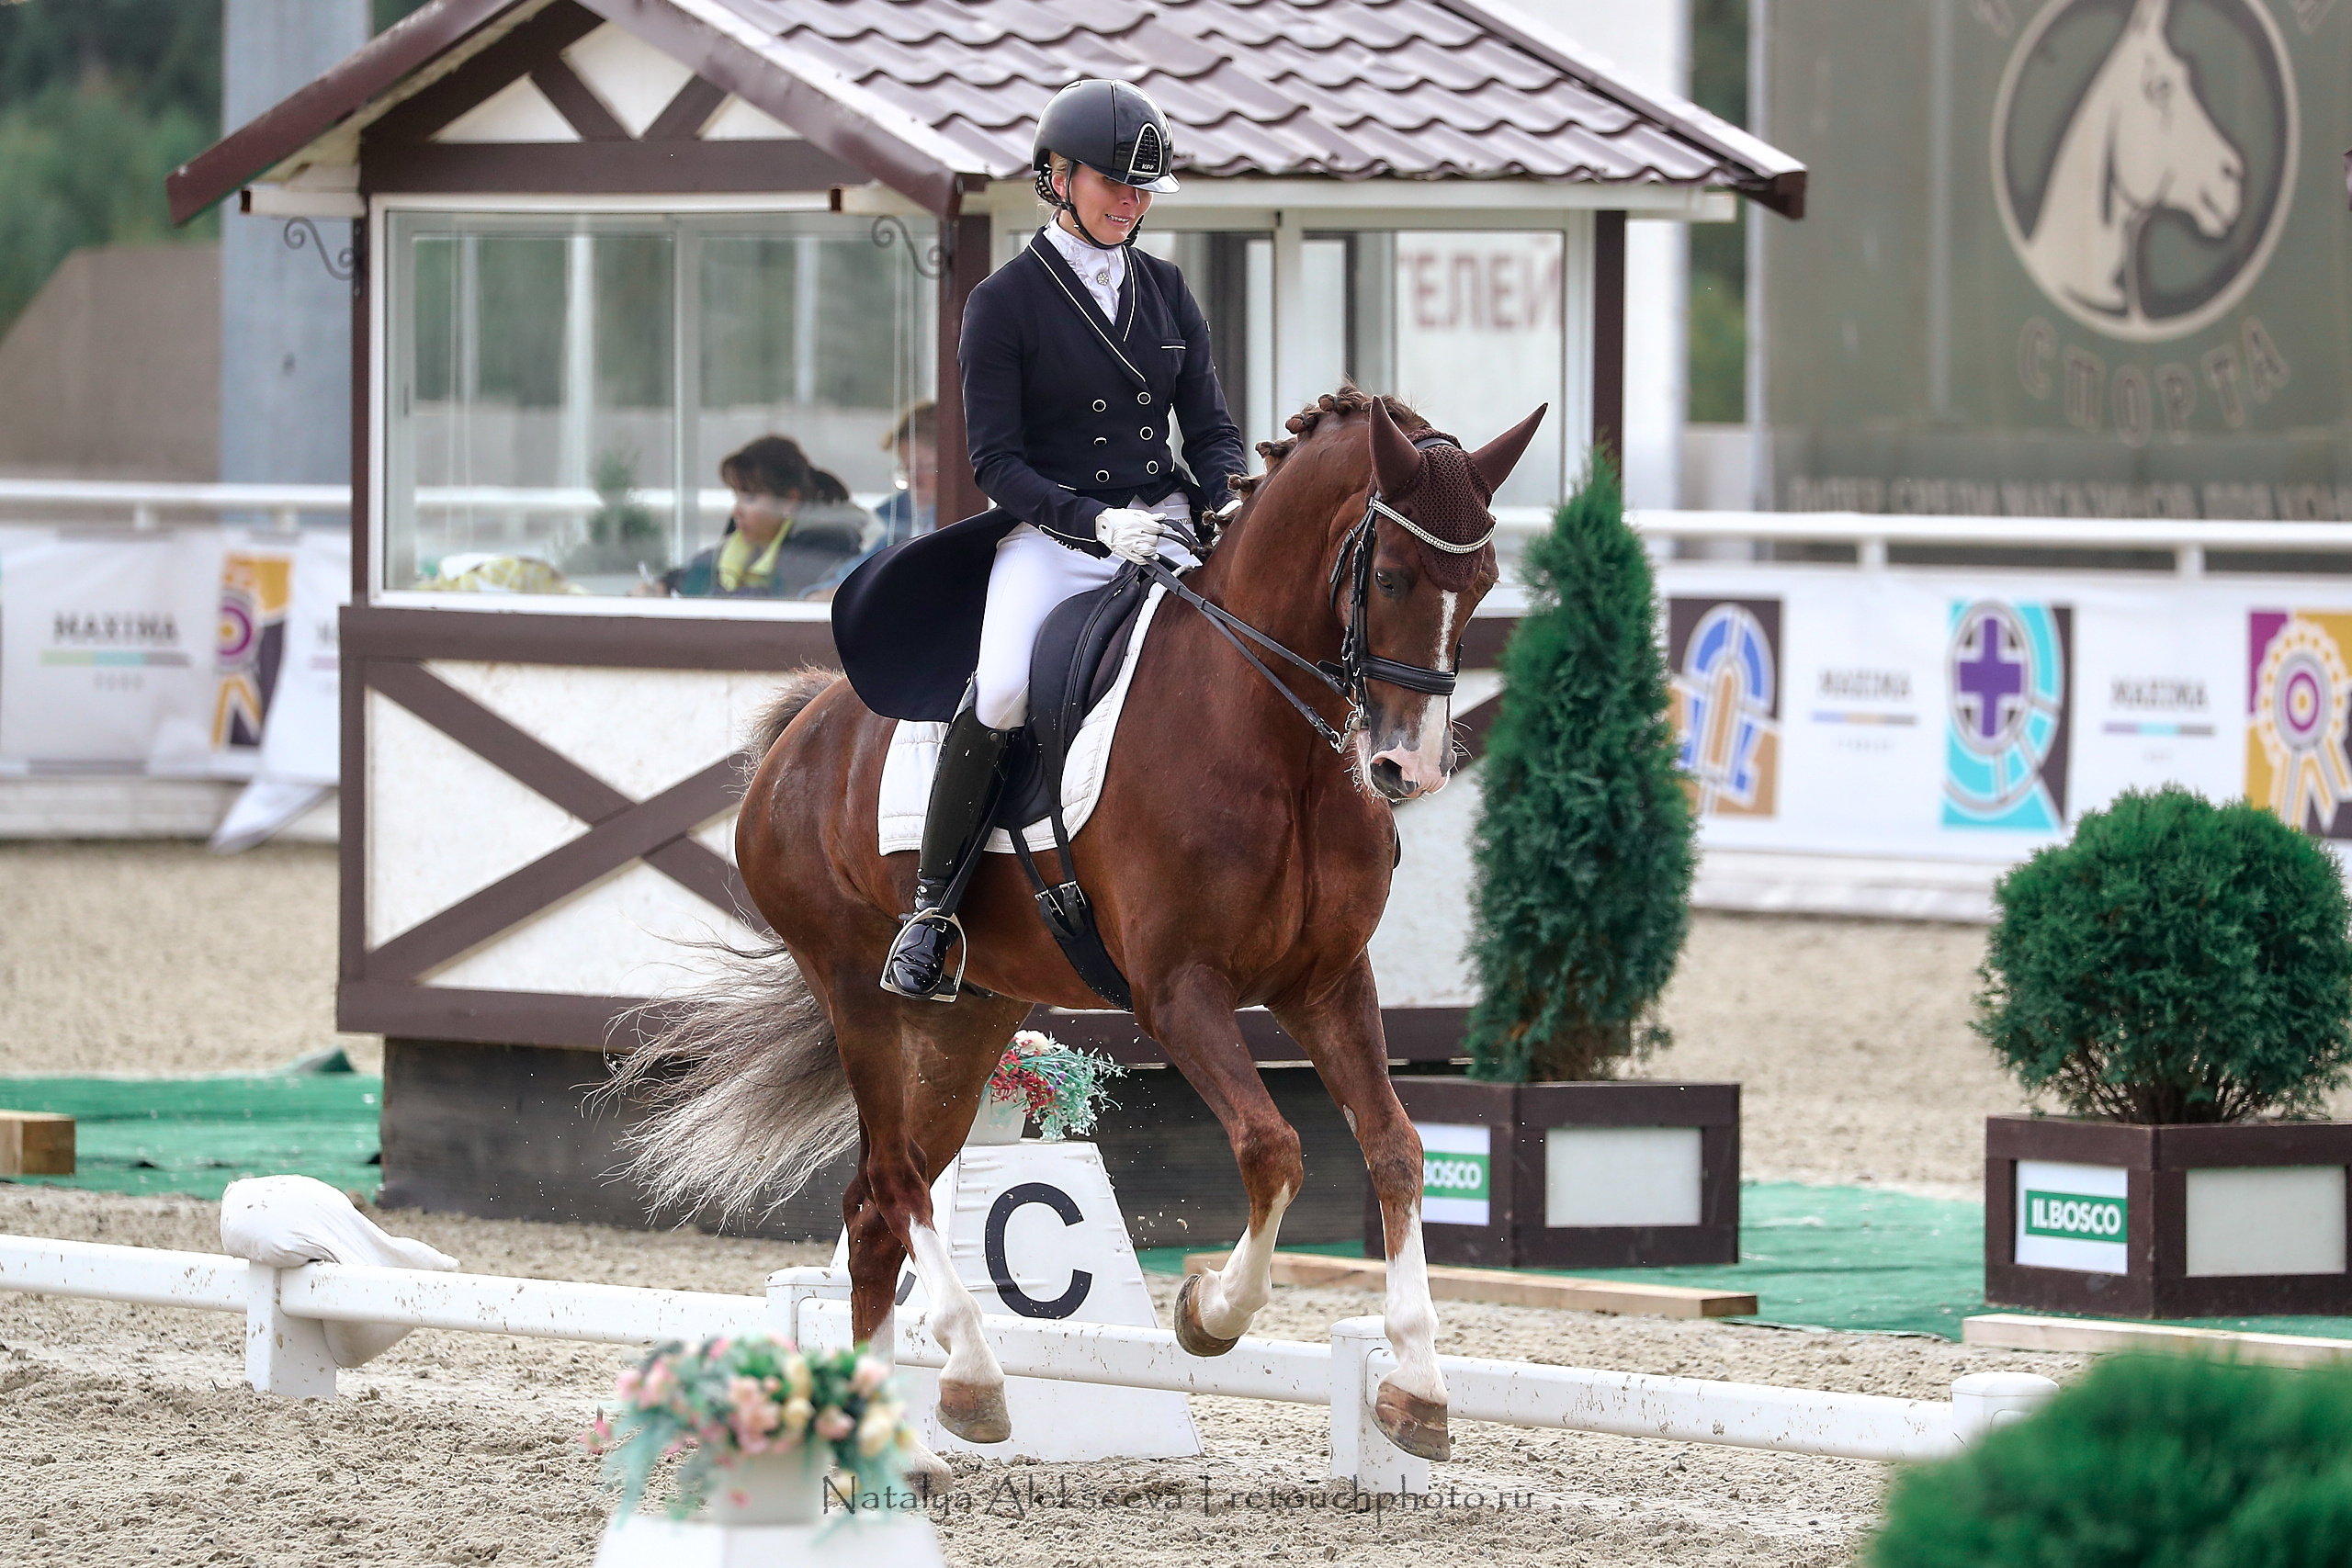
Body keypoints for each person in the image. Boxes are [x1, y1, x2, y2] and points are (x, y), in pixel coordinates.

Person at [827, 77, 1250, 1002]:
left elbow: (1209, 430)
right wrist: (1093, 521)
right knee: (1009, 684)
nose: (1129, 205)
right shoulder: (1004, 302)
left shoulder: (1167, 291)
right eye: (1113, 185)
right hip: (1054, 533)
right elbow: (995, 463)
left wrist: (1224, 498)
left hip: (1163, 525)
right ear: (1055, 177)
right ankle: (931, 914)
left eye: (1143, 191)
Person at [645, 435, 865, 599]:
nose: (736, 511)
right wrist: (661, 586)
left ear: (789, 501)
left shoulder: (824, 548)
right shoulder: (741, 547)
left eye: (749, 498)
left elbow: (778, 598)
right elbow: (698, 571)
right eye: (736, 496)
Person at [801, 402, 937, 601]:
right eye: (907, 470)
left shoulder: (961, 524)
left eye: (925, 467)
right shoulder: (898, 525)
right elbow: (853, 574)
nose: (913, 481)